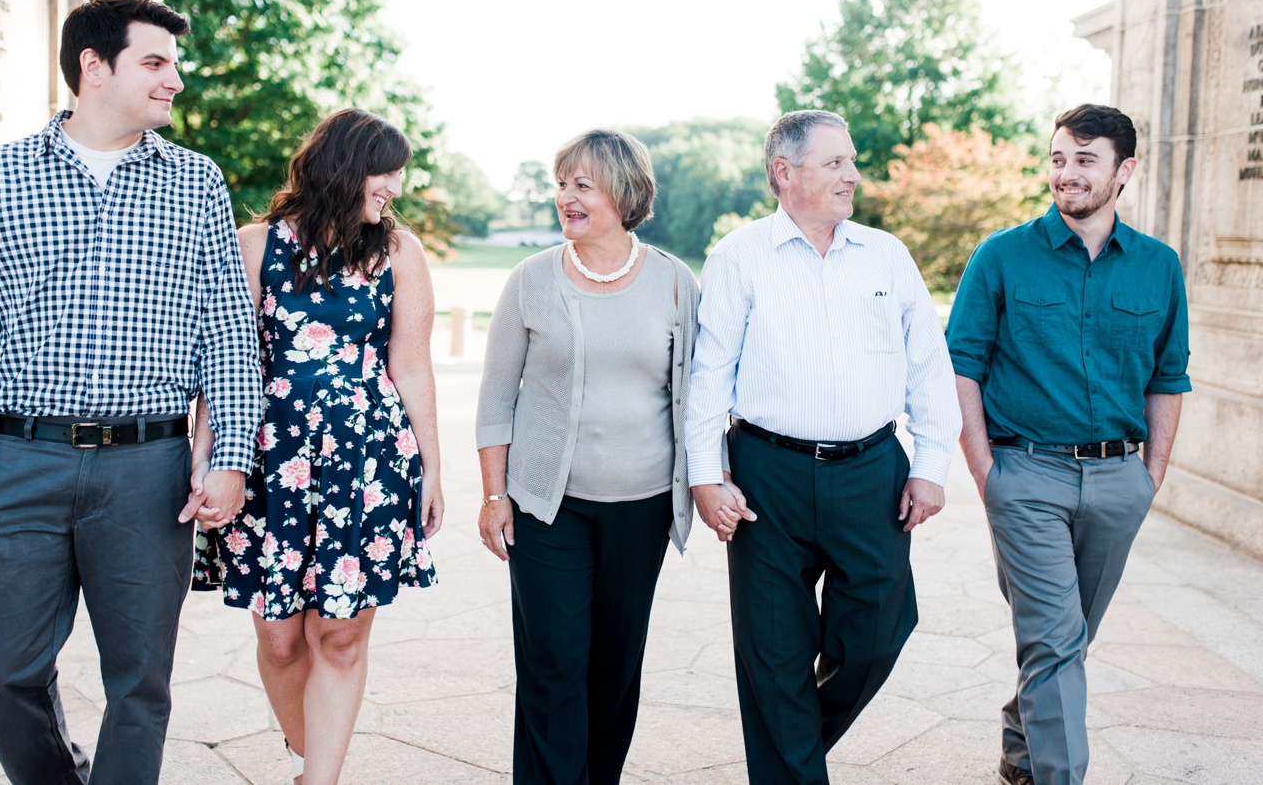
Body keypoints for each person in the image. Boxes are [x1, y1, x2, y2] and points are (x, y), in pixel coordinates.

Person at [0, 0, 262, 784]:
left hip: (146, 473)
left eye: (173, 65)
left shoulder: (196, 185)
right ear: (93, 66)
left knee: (140, 687)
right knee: (1, 673)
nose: (174, 80)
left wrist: (230, 457)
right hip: (19, 464)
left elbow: (226, 337)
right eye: (155, 62)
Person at [686, 109, 961, 784]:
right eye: (836, 162)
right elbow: (709, 374)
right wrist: (704, 477)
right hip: (764, 478)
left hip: (871, 472)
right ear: (786, 173)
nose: (853, 174)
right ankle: (793, 764)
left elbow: (929, 366)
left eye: (852, 161)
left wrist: (930, 466)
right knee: (773, 652)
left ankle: (791, 739)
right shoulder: (738, 255)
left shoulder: (886, 254)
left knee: (877, 631)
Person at [192, 107, 444, 785]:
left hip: (369, 462)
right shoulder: (255, 244)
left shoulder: (398, 251)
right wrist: (208, 461)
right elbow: (226, 367)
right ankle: (309, 753)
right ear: (344, 167)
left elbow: (412, 365)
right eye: (384, 172)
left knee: (338, 633)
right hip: (272, 465)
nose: (393, 186)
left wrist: (432, 473)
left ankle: (319, 779)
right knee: (279, 636)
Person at [946, 104, 1190, 785]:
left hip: (1120, 482)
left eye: (1085, 160)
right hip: (1026, 474)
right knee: (1055, 641)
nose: (1067, 173)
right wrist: (987, 471)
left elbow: (1169, 377)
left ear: (1124, 171)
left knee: (1064, 643)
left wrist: (1152, 475)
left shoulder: (1159, 267)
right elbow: (961, 363)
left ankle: (1023, 751)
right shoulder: (1001, 256)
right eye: (1059, 158)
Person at [476, 129, 697, 785]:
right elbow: (495, 398)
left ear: (624, 195)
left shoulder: (676, 283)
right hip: (548, 507)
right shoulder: (531, 280)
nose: (565, 197)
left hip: (644, 506)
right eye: (562, 183)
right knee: (551, 666)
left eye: (582, 185)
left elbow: (700, 396)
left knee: (614, 669)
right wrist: (495, 495)